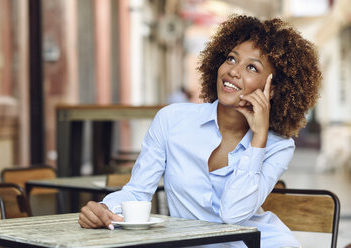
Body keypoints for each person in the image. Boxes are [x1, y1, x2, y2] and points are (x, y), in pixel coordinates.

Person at [79, 15, 321, 248]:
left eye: (252, 68)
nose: (233, 71)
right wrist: (103, 209)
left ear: (273, 90)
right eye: (231, 59)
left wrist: (259, 138)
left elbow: (233, 214)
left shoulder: (278, 146)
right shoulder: (172, 120)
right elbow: (137, 192)